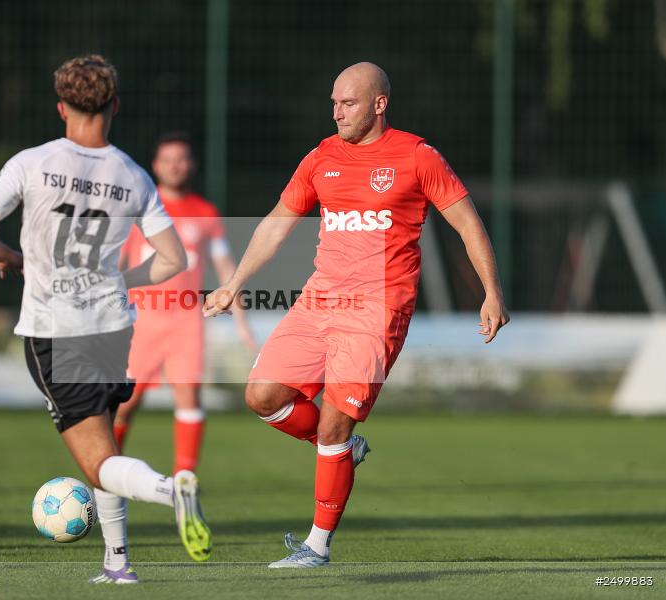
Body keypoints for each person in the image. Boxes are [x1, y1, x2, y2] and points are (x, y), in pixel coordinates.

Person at [203, 62, 509, 568]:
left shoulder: (417, 156)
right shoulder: (322, 156)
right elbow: (278, 224)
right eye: (333, 103)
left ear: (379, 104)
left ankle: (316, 547)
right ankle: (345, 447)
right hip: (318, 301)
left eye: (348, 103)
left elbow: (468, 224)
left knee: (331, 428)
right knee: (262, 396)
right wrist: (234, 283)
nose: (337, 112)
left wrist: (491, 293)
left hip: (377, 310)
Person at [0, 54, 211, 584]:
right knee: (104, 442)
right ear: (114, 106)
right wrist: (120, 282)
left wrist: (6, 256)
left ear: (61, 108)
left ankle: (172, 489)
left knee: (98, 460)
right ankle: (118, 565)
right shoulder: (134, 175)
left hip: (55, 329)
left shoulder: (32, 162)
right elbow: (173, 260)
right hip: (114, 328)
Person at [115, 132, 257, 474]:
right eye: (167, 160)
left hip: (186, 322)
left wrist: (242, 325)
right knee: (124, 403)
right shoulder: (140, 210)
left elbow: (225, 268)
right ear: (155, 166)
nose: (174, 166)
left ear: (190, 165)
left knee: (189, 398)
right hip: (141, 322)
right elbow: (117, 266)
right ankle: (105, 472)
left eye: (181, 159)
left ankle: (185, 480)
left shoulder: (204, 213)